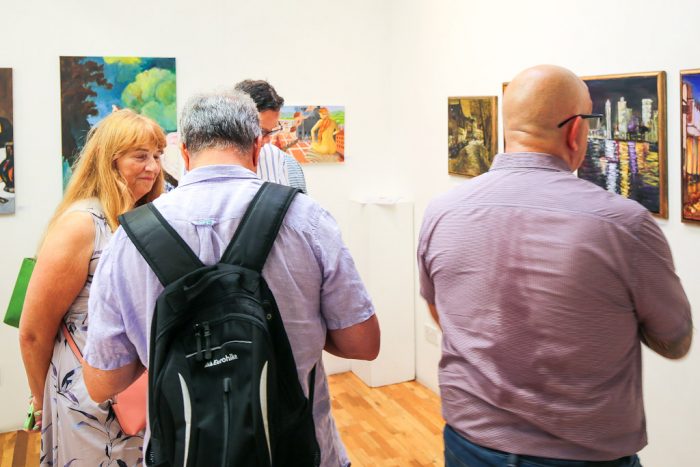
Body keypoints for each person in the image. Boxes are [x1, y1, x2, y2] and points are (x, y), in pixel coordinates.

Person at [81, 91, 380, 467]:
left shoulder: (129, 239)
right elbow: (364, 344)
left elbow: (101, 383)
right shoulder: (307, 219)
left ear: (184, 152)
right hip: (299, 452)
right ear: (257, 147)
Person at [417, 65, 693, 467]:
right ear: (576, 131)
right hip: (583, 455)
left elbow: (439, 309)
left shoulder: (441, 212)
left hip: (469, 443)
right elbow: (675, 339)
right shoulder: (624, 225)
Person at [18, 109, 165, 466]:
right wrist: (42, 400)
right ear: (109, 160)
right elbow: (33, 333)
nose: (153, 167)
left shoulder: (140, 219)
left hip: (139, 392)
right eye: (140, 156)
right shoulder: (83, 224)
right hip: (86, 401)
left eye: (157, 155)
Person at [234, 79, 308, 193]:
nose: (267, 141)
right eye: (260, 131)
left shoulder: (287, 165)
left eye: (271, 131)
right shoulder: (210, 162)